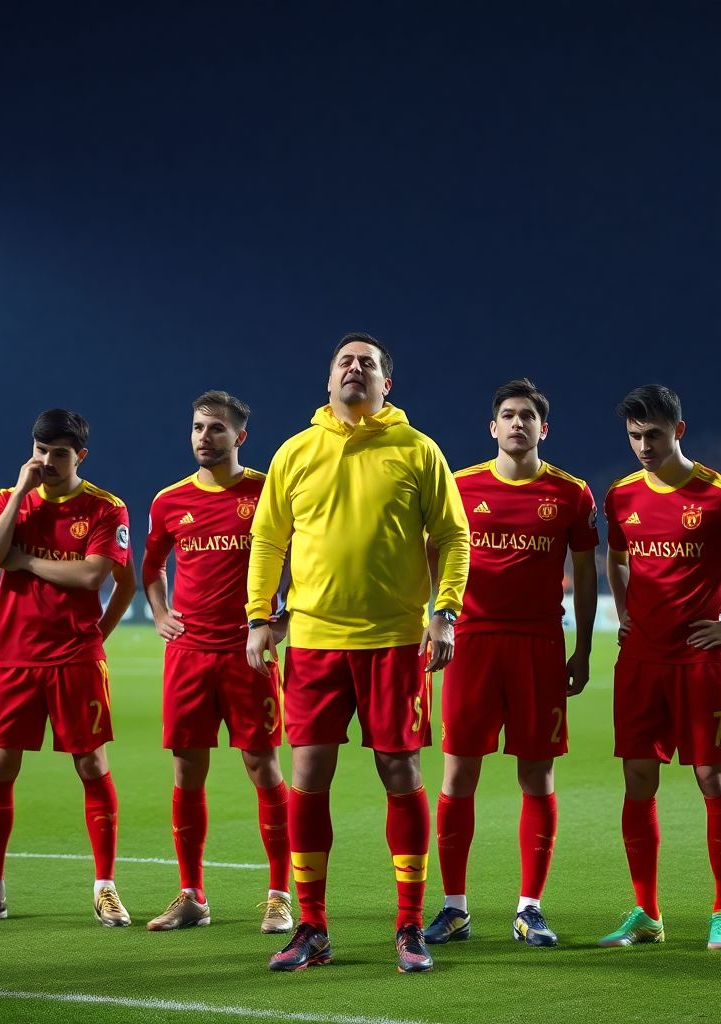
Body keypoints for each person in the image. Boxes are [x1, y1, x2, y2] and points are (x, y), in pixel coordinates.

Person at [246, 333, 470, 973]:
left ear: (385, 384)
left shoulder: (418, 449)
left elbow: (454, 536)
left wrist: (445, 612)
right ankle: (312, 926)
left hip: (393, 640)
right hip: (314, 640)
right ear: (328, 380)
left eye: (367, 363)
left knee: (400, 773)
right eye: (344, 361)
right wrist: (259, 615)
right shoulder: (296, 452)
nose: (354, 368)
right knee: (308, 774)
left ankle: (409, 924)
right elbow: (268, 540)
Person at [600, 385, 721, 951]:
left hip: (701, 661)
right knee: (638, 779)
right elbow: (615, 557)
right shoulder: (621, 496)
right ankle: (646, 913)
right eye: (634, 436)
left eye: (653, 435)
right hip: (640, 662)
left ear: (678, 431)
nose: (643, 446)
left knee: (711, 778)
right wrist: (624, 611)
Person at [423, 379, 598, 949]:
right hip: (472, 644)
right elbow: (432, 552)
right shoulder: (460, 486)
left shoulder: (572, 493)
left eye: (527, 416)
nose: (517, 423)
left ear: (544, 428)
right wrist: (438, 614)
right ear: (492, 426)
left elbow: (586, 577)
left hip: (539, 647)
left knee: (537, 775)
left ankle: (530, 909)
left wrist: (584, 648)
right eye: (508, 415)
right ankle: (454, 908)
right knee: (458, 775)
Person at [0, 409, 136, 927]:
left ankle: (105, 887)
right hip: (13, 657)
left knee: (92, 766)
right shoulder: (6, 500)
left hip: (75, 660)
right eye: (41, 450)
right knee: (0, 768)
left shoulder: (105, 507)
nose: (48, 461)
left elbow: (94, 576)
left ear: (80, 456)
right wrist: (19, 493)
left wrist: (28, 563)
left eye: (59, 453)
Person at [142, 391, 292, 935]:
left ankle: (279, 896)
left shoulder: (268, 491)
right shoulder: (169, 501)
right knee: (187, 771)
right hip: (188, 655)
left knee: (262, 767)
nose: (204, 437)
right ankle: (191, 895)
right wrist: (161, 612)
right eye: (198, 427)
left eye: (217, 428)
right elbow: (151, 565)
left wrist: (282, 620)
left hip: (247, 653)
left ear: (240, 437)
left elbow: (305, 557)